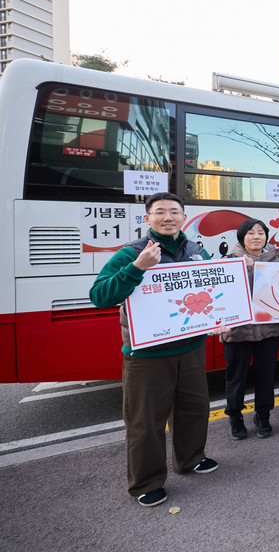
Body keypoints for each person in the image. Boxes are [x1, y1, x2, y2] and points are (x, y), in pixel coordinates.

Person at [89, 192, 219, 508]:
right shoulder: (131, 252)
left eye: (174, 212)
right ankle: (146, 483)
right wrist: (137, 267)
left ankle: (191, 458)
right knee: (145, 420)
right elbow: (99, 295)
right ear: (147, 219)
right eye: (160, 212)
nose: (168, 217)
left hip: (190, 347)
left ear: (184, 217)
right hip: (146, 354)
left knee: (194, 408)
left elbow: (214, 291)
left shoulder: (196, 251)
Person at [222, 218, 279, 439]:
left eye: (260, 233)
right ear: (241, 237)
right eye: (250, 233)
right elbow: (224, 296)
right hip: (238, 332)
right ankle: (235, 418)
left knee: (266, 376)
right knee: (236, 377)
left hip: (269, 331)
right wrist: (248, 270)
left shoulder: (277, 262)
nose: (256, 237)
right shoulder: (228, 261)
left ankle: (263, 416)